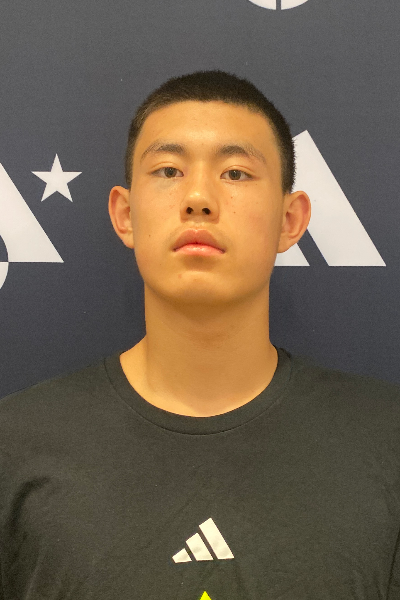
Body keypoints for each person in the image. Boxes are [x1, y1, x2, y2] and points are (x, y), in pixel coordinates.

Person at [0, 71, 399, 600]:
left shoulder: (387, 441)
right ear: (125, 215)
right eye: (168, 170)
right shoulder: (14, 445)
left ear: (290, 220)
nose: (198, 198)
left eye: (235, 173)